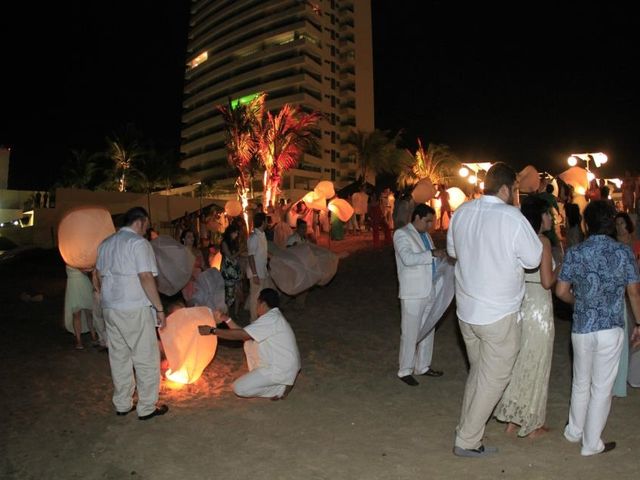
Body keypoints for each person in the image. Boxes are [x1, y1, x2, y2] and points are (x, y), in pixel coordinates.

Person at [447, 162, 543, 457]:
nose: (517, 195)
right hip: (497, 313)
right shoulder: (511, 217)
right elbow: (533, 259)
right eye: (515, 189)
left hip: (466, 310)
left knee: (480, 373)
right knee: (494, 378)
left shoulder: (462, 211)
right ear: (505, 188)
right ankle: (467, 440)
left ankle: (466, 428)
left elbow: (453, 252)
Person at [555, 200, 640, 456]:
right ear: (612, 223)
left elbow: (561, 291)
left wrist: (578, 301)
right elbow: (634, 292)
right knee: (601, 387)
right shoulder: (623, 252)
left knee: (581, 381)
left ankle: (574, 430)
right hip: (610, 327)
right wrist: (639, 322)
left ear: (585, 224)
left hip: (582, 326)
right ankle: (591, 443)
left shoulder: (575, 252)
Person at [94, 207, 168, 420]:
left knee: (119, 356)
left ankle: (123, 402)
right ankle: (146, 406)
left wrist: (105, 296)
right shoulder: (138, 243)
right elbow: (145, 276)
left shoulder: (106, 243)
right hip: (133, 307)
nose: (147, 229)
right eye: (147, 224)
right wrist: (159, 308)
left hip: (110, 307)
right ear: (141, 221)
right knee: (145, 356)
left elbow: (97, 275)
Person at [494, 196, 559, 437]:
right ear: (539, 217)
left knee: (521, 360)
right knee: (539, 360)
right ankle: (533, 423)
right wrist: (563, 265)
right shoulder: (542, 241)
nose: (551, 218)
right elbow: (547, 281)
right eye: (548, 214)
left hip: (521, 303)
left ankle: (513, 418)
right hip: (539, 307)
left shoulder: (519, 239)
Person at [198, 288, 301, 400]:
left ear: (262, 303)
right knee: (249, 343)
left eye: (257, 302)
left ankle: (278, 389)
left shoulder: (271, 319)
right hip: (282, 364)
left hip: (280, 368)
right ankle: (274, 382)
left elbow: (241, 334)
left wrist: (213, 331)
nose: (256, 306)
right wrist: (226, 319)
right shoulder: (273, 317)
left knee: (239, 388)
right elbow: (245, 334)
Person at [393, 204, 446, 386]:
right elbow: (408, 259)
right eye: (427, 221)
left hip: (429, 288)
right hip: (413, 293)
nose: (430, 225)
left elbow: (430, 259)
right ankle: (405, 370)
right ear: (417, 217)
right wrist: (432, 253)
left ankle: (422, 366)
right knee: (410, 332)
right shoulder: (401, 234)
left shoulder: (426, 235)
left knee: (428, 328)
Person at [612, 212, 640, 397]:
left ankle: (634, 375)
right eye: (617, 223)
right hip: (620, 292)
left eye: (622, 223)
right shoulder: (614, 244)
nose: (619, 226)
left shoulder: (635, 244)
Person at [64, 265, 97, 350]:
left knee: (89, 312)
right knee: (76, 313)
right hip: (73, 284)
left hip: (84, 282)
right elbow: (84, 270)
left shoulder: (81, 256)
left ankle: (94, 336)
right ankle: (78, 340)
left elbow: (86, 270)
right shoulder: (67, 256)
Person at [247, 212, 272, 322]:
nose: (267, 223)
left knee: (262, 296)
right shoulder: (254, 237)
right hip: (256, 272)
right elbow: (251, 256)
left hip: (262, 271)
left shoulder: (262, 235)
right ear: (262, 222)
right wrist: (255, 274)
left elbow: (263, 252)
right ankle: (253, 320)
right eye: (266, 221)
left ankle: (261, 318)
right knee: (255, 297)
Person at [220, 223, 242, 314]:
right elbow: (230, 256)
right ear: (230, 233)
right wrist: (241, 251)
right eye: (235, 233)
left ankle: (236, 313)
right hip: (228, 271)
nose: (236, 235)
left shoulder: (234, 243)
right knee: (229, 294)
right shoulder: (224, 243)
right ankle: (227, 314)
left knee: (237, 292)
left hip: (235, 269)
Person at [180, 229, 206, 303]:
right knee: (191, 302)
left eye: (192, 236)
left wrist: (211, 271)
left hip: (199, 280)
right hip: (188, 280)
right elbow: (180, 268)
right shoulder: (181, 252)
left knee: (200, 302)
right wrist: (189, 277)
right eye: (189, 236)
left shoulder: (198, 251)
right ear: (183, 239)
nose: (192, 238)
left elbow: (203, 265)